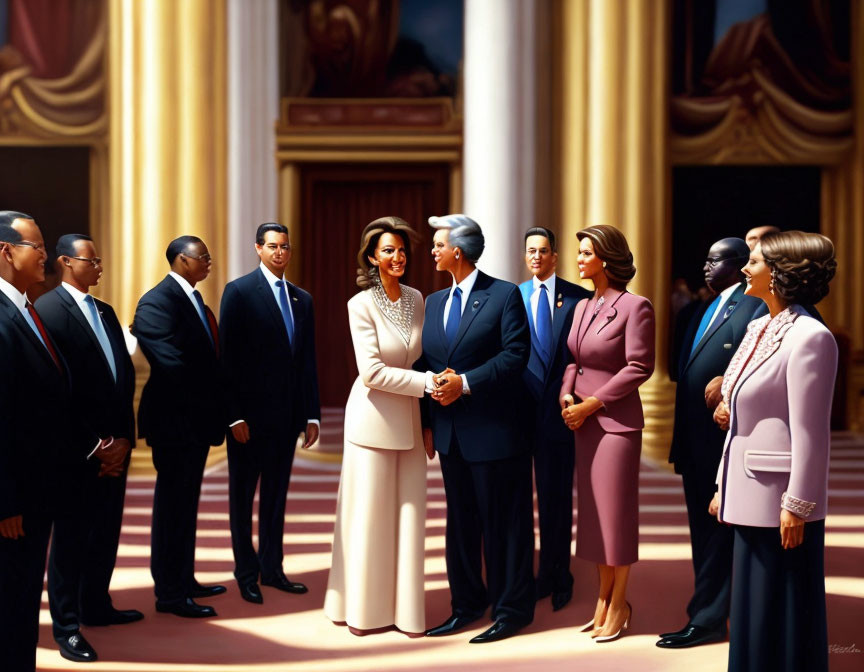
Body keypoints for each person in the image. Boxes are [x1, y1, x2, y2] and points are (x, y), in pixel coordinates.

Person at [711, 231, 837, 672]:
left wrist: (797, 505)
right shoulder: (756, 327)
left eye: (755, 262)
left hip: (780, 503)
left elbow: (811, 431)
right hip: (747, 495)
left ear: (781, 274)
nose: (745, 268)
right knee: (751, 612)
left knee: (780, 614)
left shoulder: (810, 337)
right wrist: (722, 484)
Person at [418, 214, 535, 644]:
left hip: (496, 432)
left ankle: (511, 610)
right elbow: (424, 364)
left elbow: (515, 356)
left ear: (459, 252)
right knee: (461, 525)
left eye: (438, 244)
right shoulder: (432, 302)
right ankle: (466, 605)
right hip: (451, 435)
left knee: (504, 526)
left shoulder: (503, 295)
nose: (433, 250)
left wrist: (464, 383)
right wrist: (428, 419)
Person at [0, 212, 107, 670]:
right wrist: (5, 501)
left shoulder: (23, 307)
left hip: (41, 488)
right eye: (36, 246)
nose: (46, 255)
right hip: (15, 501)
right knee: (10, 605)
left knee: (23, 603)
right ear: (6, 251)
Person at [35, 234, 141, 662]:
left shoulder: (105, 310)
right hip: (77, 449)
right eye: (91, 260)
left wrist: (125, 439)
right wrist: (96, 444)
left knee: (105, 531)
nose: (99, 267)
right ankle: (66, 625)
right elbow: (56, 390)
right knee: (71, 538)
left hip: (116, 446)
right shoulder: (47, 311)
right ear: (65, 261)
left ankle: (97, 604)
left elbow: (124, 378)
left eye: (100, 260)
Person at [324, 217, 430, 636]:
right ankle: (363, 614)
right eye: (388, 250)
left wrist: (430, 404)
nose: (397, 257)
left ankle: (406, 613)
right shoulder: (360, 304)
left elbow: (421, 356)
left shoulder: (418, 299)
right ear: (372, 257)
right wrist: (427, 385)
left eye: (402, 250)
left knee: (409, 518)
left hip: (412, 420)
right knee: (369, 519)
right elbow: (371, 371)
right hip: (371, 420)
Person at [657, 238, 760, 649]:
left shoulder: (752, 307)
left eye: (714, 259)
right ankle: (705, 611)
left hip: (723, 439)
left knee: (719, 536)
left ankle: (710, 618)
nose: (705, 266)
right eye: (705, 258)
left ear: (737, 265)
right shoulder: (701, 308)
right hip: (694, 442)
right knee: (702, 533)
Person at [559, 224, 655, 643]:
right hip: (582, 422)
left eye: (585, 253)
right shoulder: (582, 306)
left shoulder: (636, 307)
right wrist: (566, 394)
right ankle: (601, 597)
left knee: (616, 516)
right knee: (595, 517)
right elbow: (573, 361)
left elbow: (639, 366)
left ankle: (620, 602)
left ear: (606, 258)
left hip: (615, 424)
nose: (578, 259)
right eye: (578, 252)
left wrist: (591, 403)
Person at [219, 223, 320, 603]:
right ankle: (246, 573)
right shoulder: (240, 292)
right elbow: (226, 359)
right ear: (258, 249)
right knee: (242, 498)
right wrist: (233, 416)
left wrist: (311, 415)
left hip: (288, 418)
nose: (280, 253)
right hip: (248, 420)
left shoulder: (302, 299)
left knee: (276, 498)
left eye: (285, 247)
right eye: (272, 246)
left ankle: (272, 569)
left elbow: (307, 361)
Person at [133, 236, 227, 618]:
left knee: (187, 504)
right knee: (172, 506)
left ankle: (184, 578)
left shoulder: (196, 301)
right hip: (174, 421)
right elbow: (172, 364)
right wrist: (214, 393)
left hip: (195, 421)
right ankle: (169, 593)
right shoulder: (156, 301)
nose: (209, 262)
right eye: (202, 256)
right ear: (181, 260)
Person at [518, 226, 590, 612]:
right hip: (518, 413)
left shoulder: (578, 299)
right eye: (531, 251)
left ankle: (558, 574)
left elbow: (582, 355)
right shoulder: (514, 296)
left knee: (556, 498)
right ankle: (525, 574)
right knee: (516, 501)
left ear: (554, 256)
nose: (536, 257)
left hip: (560, 412)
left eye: (543, 251)